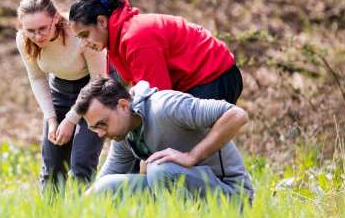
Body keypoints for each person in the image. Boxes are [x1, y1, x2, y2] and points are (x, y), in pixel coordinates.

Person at [72, 77, 254, 201]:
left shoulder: (165, 106)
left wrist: (192, 156)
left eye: (103, 123)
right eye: (95, 127)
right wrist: (75, 215)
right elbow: (103, 183)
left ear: (123, 105)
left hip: (231, 194)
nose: (101, 133)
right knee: (106, 187)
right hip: (186, 187)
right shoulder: (124, 136)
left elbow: (236, 114)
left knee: (159, 170)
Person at [69, 0, 243, 104]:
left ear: (101, 21)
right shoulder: (117, 38)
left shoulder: (135, 38)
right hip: (195, 80)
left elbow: (158, 98)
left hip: (213, 76)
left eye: (85, 35)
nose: (84, 43)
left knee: (193, 149)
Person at [15, 0, 106, 194]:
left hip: (94, 90)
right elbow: (37, 78)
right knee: (52, 165)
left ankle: (84, 215)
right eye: (31, 30)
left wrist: (72, 119)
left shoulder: (80, 32)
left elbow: (98, 79)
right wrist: (52, 119)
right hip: (60, 91)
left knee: (81, 163)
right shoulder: (23, 39)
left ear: (56, 18)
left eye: (43, 28)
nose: (37, 36)